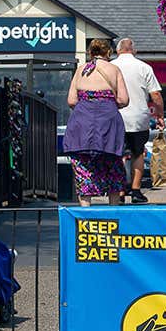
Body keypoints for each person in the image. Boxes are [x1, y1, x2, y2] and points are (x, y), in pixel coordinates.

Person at [63, 39, 129, 206]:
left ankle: (86, 212)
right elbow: (123, 99)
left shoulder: (80, 70)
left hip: (82, 122)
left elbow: (71, 100)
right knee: (112, 165)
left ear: (90, 53)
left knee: (83, 166)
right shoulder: (114, 70)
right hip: (108, 123)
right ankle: (114, 211)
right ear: (108, 53)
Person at [112, 38, 164, 204]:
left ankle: (119, 192)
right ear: (134, 51)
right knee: (137, 153)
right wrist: (159, 116)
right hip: (138, 118)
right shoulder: (144, 67)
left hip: (116, 116)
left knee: (117, 154)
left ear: (118, 50)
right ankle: (136, 191)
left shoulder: (111, 67)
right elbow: (155, 95)